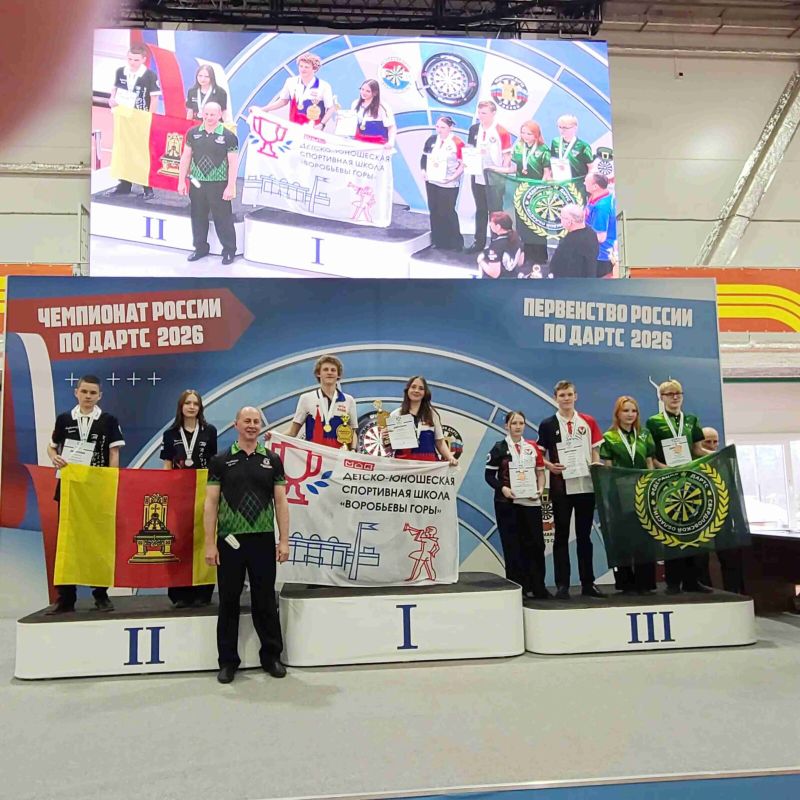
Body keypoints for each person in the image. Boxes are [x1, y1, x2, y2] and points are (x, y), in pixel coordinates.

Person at [204, 406, 290, 684]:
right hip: (229, 541)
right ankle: (227, 662)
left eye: (256, 421)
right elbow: (211, 503)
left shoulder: (272, 460)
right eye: (247, 421)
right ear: (236, 424)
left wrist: (284, 540)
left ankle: (272, 657)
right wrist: (210, 543)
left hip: (263, 539)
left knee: (265, 600)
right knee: (228, 601)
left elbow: (281, 502)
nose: (252, 425)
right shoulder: (220, 460)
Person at [46, 375, 125, 614]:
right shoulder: (64, 419)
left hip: (97, 488)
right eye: (84, 392)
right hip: (70, 488)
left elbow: (114, 453)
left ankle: (101, 595)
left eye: (93, 393)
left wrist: (110, 482)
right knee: (68, 541)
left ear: (100, 396)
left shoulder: (108, 420)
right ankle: (66, 597)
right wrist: (54, 457)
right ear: (76, 392)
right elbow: (52, 446)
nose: (88, 396)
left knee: (98, 541)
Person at [537, 380, 605, 599]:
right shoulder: (547, 424)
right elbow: (539, 455)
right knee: (561, 536)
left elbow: (595, 450)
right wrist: (550, 466)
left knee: (585, 536)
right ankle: (562, 585)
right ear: (555, 398)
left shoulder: (588, 421)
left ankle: (588, 583)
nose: (566, 399)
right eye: (562, 395)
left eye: (569, 395)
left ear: (576, 396)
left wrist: (595, 464)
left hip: (585, 485)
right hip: (561, 487)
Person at [646, 379, 712, 595]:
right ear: (661, 398)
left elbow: (697, 450)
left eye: (678, 393)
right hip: (667, 482)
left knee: (693, 530)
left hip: (691, 482)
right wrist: (664, 468)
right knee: (672, 531)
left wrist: (718, 454)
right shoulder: (654, 422)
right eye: (669, 394)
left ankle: (693, 580)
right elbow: (651, 456)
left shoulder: (691, 420)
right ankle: (673, 582)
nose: (675, 397)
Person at [161, 389, 218, 608]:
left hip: (203, 492)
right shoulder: (171, 434)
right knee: (180, 541)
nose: (192, 407)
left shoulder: (209, 431)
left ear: (200, 407)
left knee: (204, 537)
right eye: (188, 403)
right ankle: (180, 593)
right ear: (181, 407)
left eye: (195, 403)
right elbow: (167, 464)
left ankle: (203, 592)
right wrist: (167, 489)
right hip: (179, 494)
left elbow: (213, 461)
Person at [485, 410, 548, 598]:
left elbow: (540, 473)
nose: (518, 426)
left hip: (531, 502)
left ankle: (538, 587)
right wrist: (503, 488)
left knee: (536, 545)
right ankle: (518, 588)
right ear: (507, 426)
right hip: (507, 503)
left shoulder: (532, 447)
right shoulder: (499, 448)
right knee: (513, 546)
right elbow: (489, 476)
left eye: (521, 423)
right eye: (514, 423)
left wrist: (540, 489)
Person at [599, 396, 657, 595]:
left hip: (642, 490)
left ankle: (645, 582)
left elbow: (649, 463)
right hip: (619, 492)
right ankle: (626, 583)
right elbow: (608, 468)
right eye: (626, 411)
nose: (630, 414)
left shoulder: (645, 434)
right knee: (623, 538)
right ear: (617, 413)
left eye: (633, 411)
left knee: (645, 537)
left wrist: (651, 487)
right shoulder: (609, 437)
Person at [178, 102, 238, 265]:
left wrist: (231, 186)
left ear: (219, 115)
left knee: (223, 218)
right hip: (197, 183)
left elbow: (233, 163)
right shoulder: (193, 133)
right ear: (201, 114)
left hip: (219, 184)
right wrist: (181, 180)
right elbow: (186, 157)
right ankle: (200, 248)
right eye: (206, 114)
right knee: (197, 216)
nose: (209, 118)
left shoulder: (229, 136)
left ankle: (229, 251)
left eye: (212, 115)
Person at [109, 43, 160, 200]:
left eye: (136, 60)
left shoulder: (150, 75)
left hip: (140, 117)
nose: (132, 62)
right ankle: (124, 184)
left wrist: (149, 117)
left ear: (144, 59)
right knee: (123, 149)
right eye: (130, 59)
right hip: (122, 116)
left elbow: (154, 98)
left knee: (141, 152)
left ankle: (147, 188)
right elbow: (114, 89)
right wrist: (111, 99)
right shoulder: (120, 71)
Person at [466, 101, 512, 253]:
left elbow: (507, 155)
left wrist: (502, 173)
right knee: (480, 210)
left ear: (493, 113)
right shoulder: (474, 129)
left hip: (494, 178)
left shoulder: (501, 131)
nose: (481, 116)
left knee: (495, 213)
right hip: (477, 175)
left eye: (484, 113)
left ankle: (496, 244)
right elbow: (470, 149)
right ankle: (478, 242)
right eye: (479, 113)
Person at [382, 376, 458, 464]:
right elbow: (389, 449)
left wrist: (450, 457)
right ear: (407, 390)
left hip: (428, 466)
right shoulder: (396, 415)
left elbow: (440, 442)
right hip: (403, 466)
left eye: (421, 388)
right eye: (413, 387)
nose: (416, 390)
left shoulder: (432, 414)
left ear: (425, 393)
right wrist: (385, 439)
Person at [288, 354, 358, 449]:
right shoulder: (306, 398)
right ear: (318, 373)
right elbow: (293, 432)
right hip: (314, 454)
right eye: (325, 369)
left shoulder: (349, 400)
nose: (329, 373)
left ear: (338, 375)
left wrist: (353, 450)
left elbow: (352, 432)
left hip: (339, 454)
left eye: (333, 370)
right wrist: (273, 435)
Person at [507, 120, 551, 266]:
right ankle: (525, 254)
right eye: (523, 133)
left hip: (537, 194)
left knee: (537, 223)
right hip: (521, 192)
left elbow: (547, 173)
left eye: (529, 133)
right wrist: (496, 169)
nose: (525, 136)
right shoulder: (519, 147)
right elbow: (514, 168)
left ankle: (539, 256)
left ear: (536, 134)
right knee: (522, 224)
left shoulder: (544, 150)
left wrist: (539, 188)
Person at [253, 52, 334, 127]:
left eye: (306, 67)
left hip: (313, 129)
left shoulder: (324, 86)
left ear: (314, 69)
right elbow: (283, 101)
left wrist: (322, 124)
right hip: (293, 127)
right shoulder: (291, 82)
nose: (303, 69)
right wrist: (263, 109)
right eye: (301, 66)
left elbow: (330, 108)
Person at [420, 116, 465, 251]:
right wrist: (423, 171)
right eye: (437, 127)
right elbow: (424, 157)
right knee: (434, 211)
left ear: (450, 128)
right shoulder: (432, 139)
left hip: (448, 183)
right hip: (432, 181)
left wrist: (453, 177)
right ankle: (438, 241)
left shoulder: (457, 142)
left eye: (443, 127)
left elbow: (464, 164)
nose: (439, 130)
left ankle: (456, 243)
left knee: (447, 212)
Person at [547, 204, 597, 278]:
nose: (560, 220)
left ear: (569, 221)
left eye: (562, 217)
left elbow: (557, 268)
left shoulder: (568, 244)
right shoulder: (592, 233)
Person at [585, 172, 617, 278]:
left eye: (587, 182)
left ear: (595, 187)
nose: (584, 183)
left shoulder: (602, 208)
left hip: (600, 257)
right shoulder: (599, 197)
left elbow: (600, 237)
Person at [549, 114, 594, 187]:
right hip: (559, 183)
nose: (562, 130)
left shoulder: (583, 146)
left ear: (575, 128)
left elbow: (591, 167)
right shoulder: (555, 142)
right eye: (559, 127)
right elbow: (553, 160)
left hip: (578, 184)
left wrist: (588, 183)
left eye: (565, 128)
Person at [477, 212, 525, 279]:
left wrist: (480, 261)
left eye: (491, 223)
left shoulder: (496, 245)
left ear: (498, 227)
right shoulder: (517, 239)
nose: (489, 224)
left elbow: (494, 274)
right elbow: (520, 262)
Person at [351, 79, 395, 147]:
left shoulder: (383, 106)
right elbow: (353, 124)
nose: (363, 93)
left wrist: (391, 142)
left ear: (375, 93)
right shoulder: (355, 103)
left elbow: (391, 127)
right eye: (362, 89)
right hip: (361, 143)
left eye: (368, 91)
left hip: (378, 144)